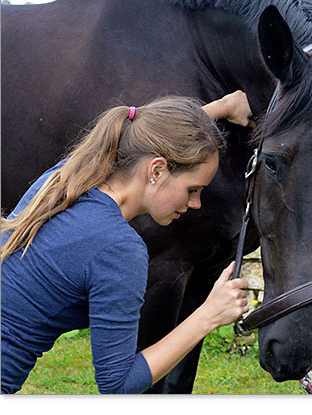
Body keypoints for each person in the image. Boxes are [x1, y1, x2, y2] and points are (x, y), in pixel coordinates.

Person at [1, 91, 253, 394]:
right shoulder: (119, 250)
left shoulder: (65, 178)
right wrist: (208, 315)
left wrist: (221, 108)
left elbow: (149, 134)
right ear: (156, 170)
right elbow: (117, 386)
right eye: (192, 189)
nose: (196, 203)